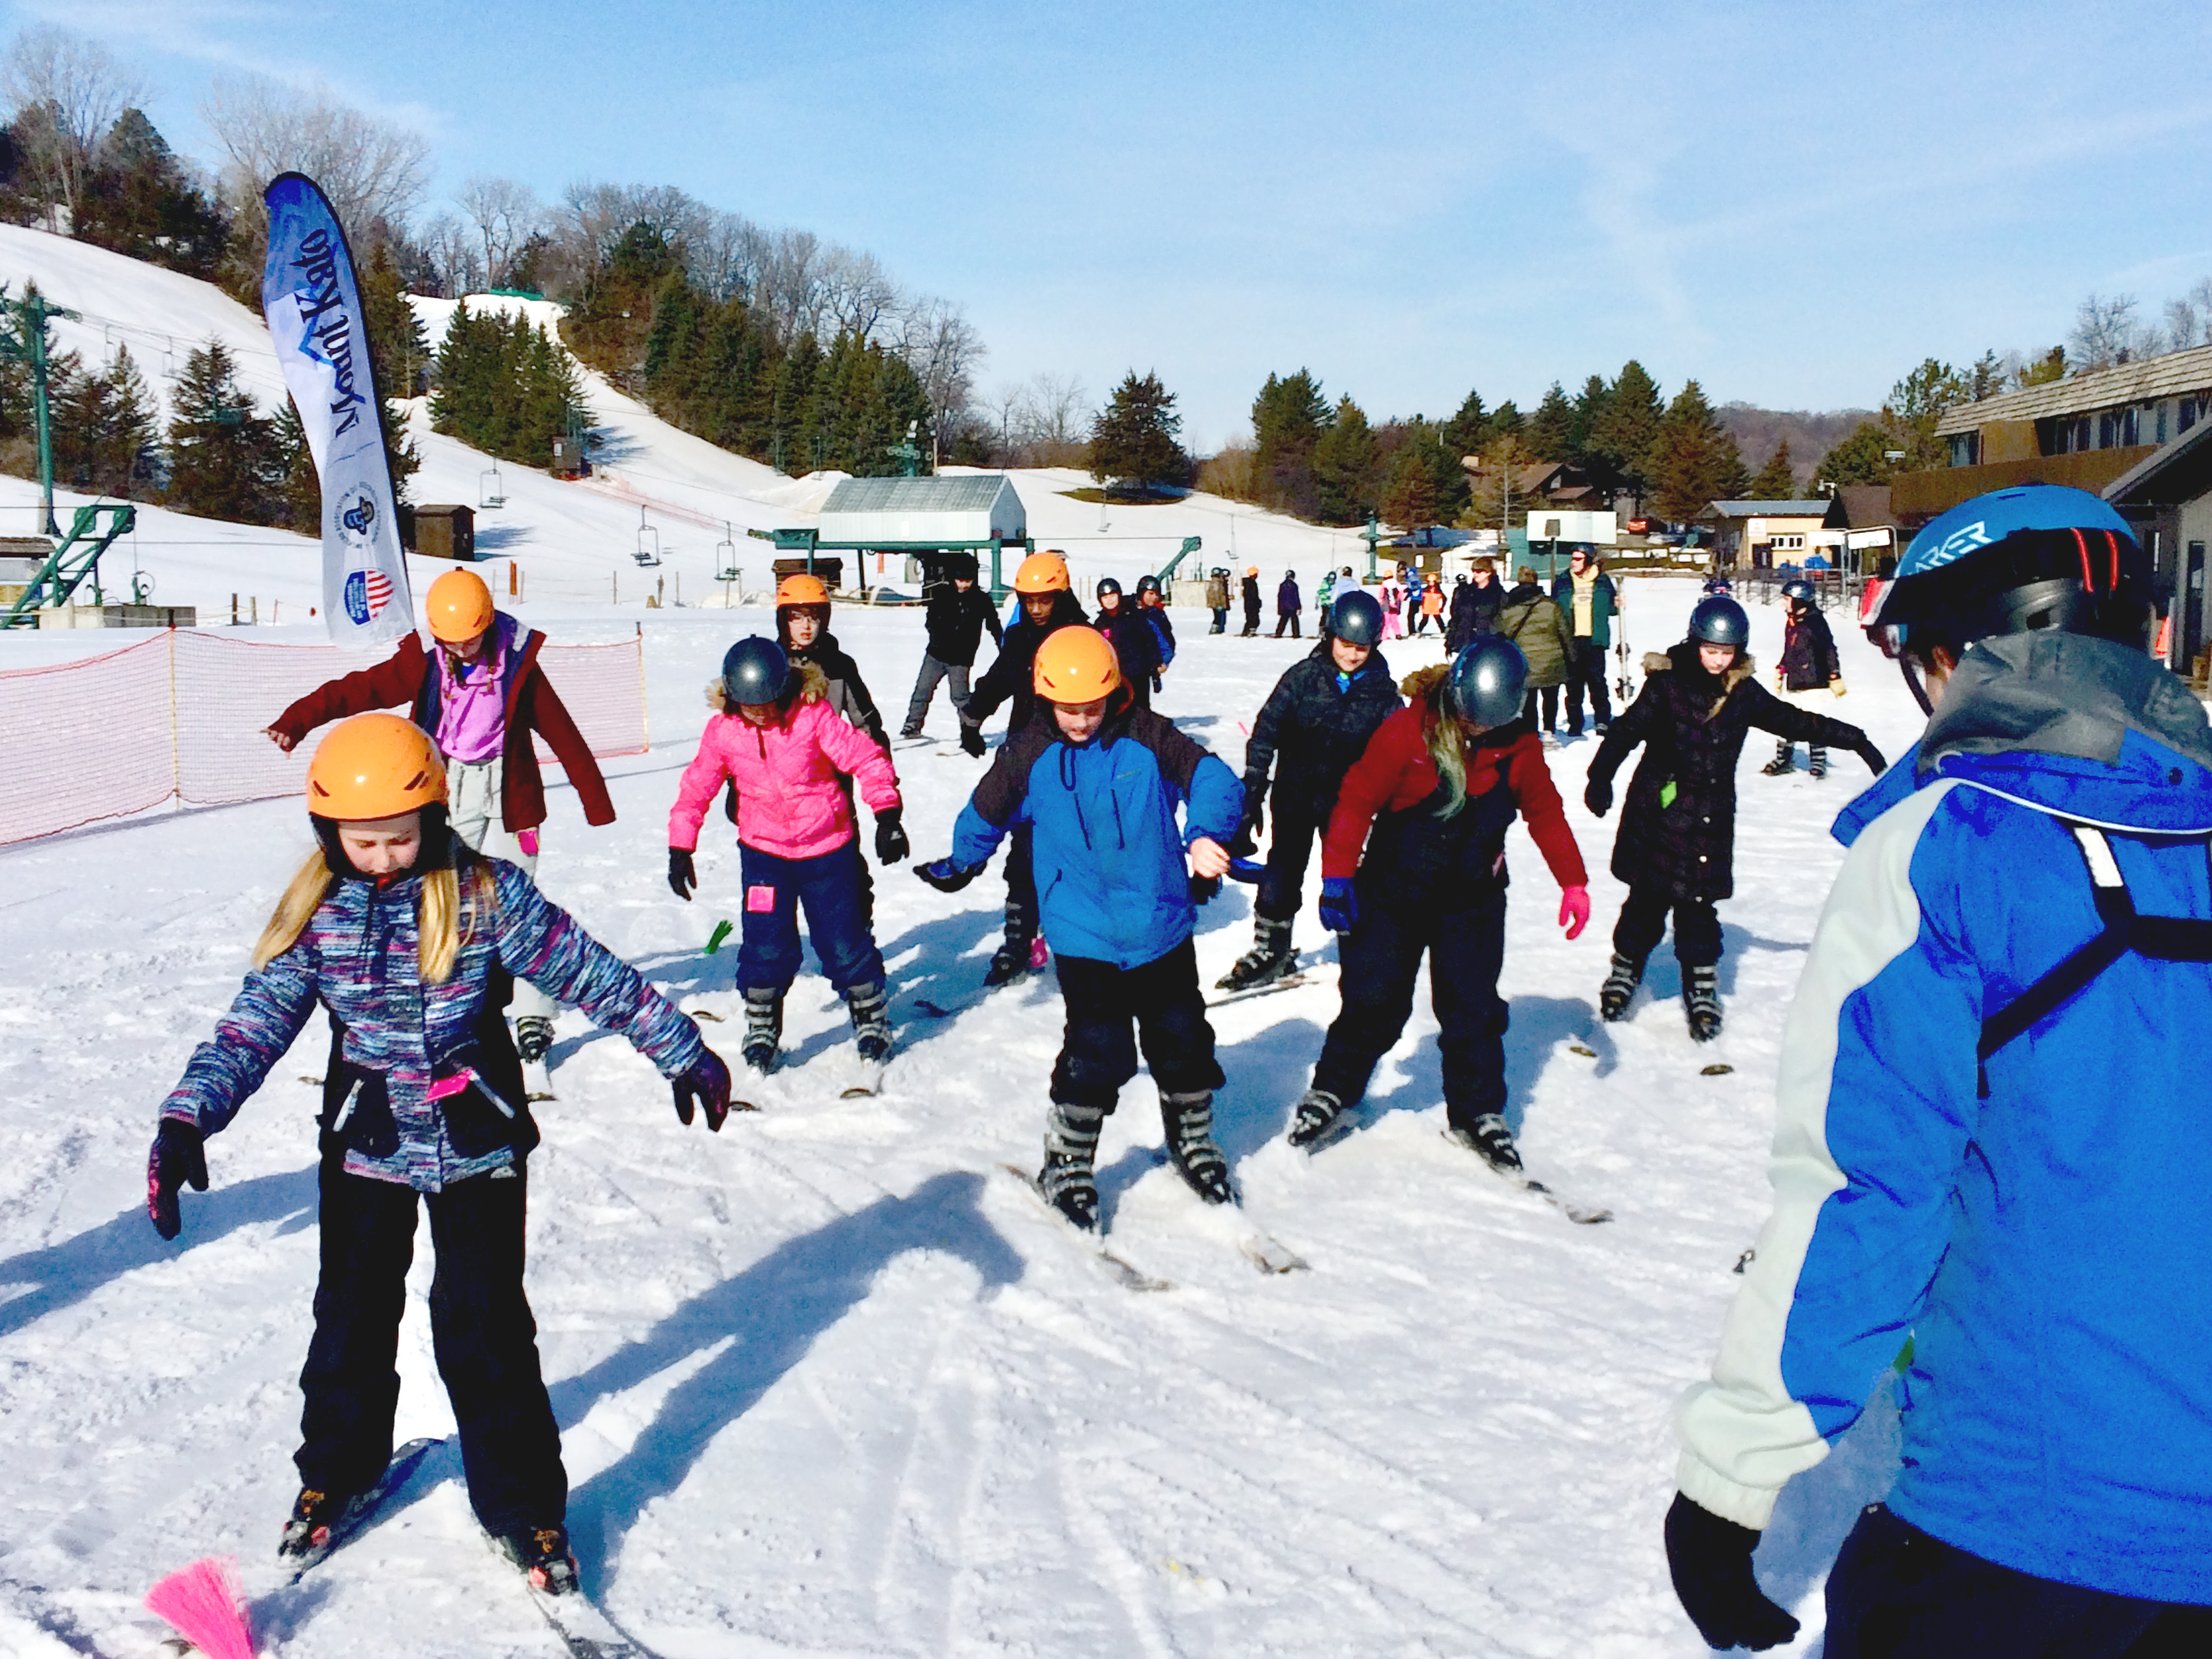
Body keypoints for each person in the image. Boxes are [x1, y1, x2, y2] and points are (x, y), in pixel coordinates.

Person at [1666, 486, 2212, 1656]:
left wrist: (1731, 1468)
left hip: (2018, 1524)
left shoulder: (1944, 846)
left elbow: (1861, 1184)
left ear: (1968, 654)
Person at [146, 714, 730, 1598]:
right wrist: (190, 1116)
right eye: (362, 841)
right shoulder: (319, 913)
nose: (382, 857)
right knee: (350, 1311)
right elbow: (255, 1024)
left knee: (483, 1321)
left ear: (432, 820)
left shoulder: (487, 894)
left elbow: (587, 970)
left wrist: (679, 1045)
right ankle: (336, 1473)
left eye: (399, 838)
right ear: (328, 836)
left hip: (476, 1130)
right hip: (368, 1130)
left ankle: (525, 1506)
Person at [916, 628, 1244, 1229]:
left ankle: (1192, 1137)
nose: (1082, 720)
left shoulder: (1149, 735)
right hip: (1082, 933)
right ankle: (1066, 1159)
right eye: (1069, 708)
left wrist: (1204, 832)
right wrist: (961, 861)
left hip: (1159, 922)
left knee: (1183, 1040)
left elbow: (1216, 780)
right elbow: (985, 810)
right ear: (1045, 697)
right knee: (1099, 1050)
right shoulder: (1027, 753)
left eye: (1092, 707)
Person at [262, 568, 610, 1067]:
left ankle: (534, 1014)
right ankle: (444, 995)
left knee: (523, 905)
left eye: (471, 640)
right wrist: (297, 720)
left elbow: (563, 731)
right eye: (452, 641)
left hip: (510, 794)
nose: (463, 650)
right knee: (444, 896)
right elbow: (357, 689)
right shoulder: (425, 664)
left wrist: (594, 799)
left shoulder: (517, 665)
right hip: (444, 791)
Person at [1282, 638, 1591, 1163]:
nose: (1477, 731)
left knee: (1472, 1008)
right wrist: (1336, 877)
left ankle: (1476, 1111)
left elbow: (1544, 811)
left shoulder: (1517, 746)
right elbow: (1356, 800)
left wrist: (1573, 881)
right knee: (1373, 1000)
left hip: (1472, 900)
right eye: (1471, 720)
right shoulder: (1407, 732)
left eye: (1489, 724)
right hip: (1392, 892)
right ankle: (1334, 1089)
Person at [1582, 595, 1882, 1042]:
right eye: (1711, 651)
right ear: (1695, 642)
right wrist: (1600, 776)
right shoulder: (1665, 686)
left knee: (1698, 908)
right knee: (1646, 902)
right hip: (1659, 811)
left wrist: (1855, 739)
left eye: (1727, 653)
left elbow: (1792, 720)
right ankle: (1625, 971)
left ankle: (1702, 984)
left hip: (1709, 818)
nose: (1719, 661)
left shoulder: (1741, 692)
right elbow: (1627, 731)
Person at [668, 638, 906, 1074]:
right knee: (765, 942)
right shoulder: (724, 730)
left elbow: (866, 759)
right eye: (748, 706)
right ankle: (761, 1024)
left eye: (769, 704)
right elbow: (697, 786)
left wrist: (887, 814)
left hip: (826, 850)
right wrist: (681, 845)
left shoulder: (812, 717)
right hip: (764, 855)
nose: (760, 714)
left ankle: (871, 1018)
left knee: (842, 940)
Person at [1218, 590, 1401, 991]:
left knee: (1353, 874)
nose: (1353, 655)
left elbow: (1400, 751)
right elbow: (1266, 732)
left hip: (1349, 803)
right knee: (1283, 870)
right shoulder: (1302, 677)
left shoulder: (1383, 692)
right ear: (1330, 635)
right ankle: (1272, 947)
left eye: (1362, 648)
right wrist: (1253, 789)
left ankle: (1362, 947)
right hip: (1295, 793)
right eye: (1346, 645)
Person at [967, 552, 1090, 985]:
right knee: (1024, 854)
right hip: (1029, 758)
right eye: (1029, 599)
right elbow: (1001, 677)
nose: (1037, 608)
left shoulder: (1081, 637)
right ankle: (1018, 938)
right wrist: (974, 714)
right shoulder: (1020, 637)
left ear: (1061, 595)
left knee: (1081, 853)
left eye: (1045, 600)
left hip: (1079, 757)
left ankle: (1084, 938)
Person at [900, 553, 1002, 756]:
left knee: (961, 697)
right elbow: (930, 620)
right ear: (952, 578)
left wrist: (1003, 645)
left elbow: (994, 625)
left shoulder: (981, 600)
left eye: (968, 580)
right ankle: (913, 725)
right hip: (936, 655)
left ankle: (969, 730)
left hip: (961, 660)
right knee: (922, 690)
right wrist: (936, 635)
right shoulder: (942, 595)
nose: (964, 585)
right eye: (960, 580)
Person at [1763, 576, 1845, 777]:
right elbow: (1791, 649)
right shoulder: (1792, 622)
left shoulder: (1815, 623)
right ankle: (1784, 759)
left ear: (1799, 600)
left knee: (1812, 723)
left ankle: (1818, 762)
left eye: (1787, 598)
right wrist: (1782, 667)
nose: (1783, 603)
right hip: (1795, 682)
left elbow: (1829, 649)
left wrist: (1834, 674)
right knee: (1784, 721)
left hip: (1813, 682)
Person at [1496, 565, 1574, 735]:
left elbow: (1503, 636)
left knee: (1529, 701)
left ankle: (1532, 731)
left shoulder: (1509, 609)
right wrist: (1572, 658)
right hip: (1552, 661)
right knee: (1551, 698)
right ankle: (1549, 730)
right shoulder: (1551, 606)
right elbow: (1565, 634)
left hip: (1525, 662)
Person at [1551, 546, 1618, 735]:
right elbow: (1555, 609)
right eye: (1573, 558)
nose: (1574, 562)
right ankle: (1575, 723)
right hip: (1572, 640)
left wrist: (1618, 604)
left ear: (1588, 561)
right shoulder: (1563, 582)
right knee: (1573, 685)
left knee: (1597, 683)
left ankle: (1602, 721)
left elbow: (1611, 608)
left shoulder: (1603, 582)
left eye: (1579, 559)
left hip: (1595, 640)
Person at [1091, 576, 1162, 710]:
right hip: (1115, 675)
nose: (1110, 600)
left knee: (1140, 708)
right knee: (1117, 708)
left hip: (1138, 672)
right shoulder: (1101, 623)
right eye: (1105, 597)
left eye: (1113, 596)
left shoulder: (1133, 616)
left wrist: (1155, 663)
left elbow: (1149, 640)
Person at [1135, 572, 1176, 695]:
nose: (1153, 598)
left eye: (1156, 594)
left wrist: (1163, 662)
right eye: (1151, 594)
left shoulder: (1156, 616)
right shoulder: (1130, 610)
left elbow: (1166, 641)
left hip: (1147, 666)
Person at [1275, 569, 1303, 638]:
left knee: (1283, 620)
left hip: (1284, 606)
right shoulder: (1294, 585)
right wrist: (1299, 606)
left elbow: (1279, 597)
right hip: (1292, 606)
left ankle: (1278, 633)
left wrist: (1279, 607)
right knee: (1295, 621)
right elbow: (1296, 597)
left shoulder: (1282, 585)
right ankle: (1296, 634)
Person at [1205, 567, 1231, 634]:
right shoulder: (1216, 583)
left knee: (1221, 618)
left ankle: (1219, 629)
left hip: (1220, 603)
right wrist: (1218, 604)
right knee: (1218, 617)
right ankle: (1215, 629)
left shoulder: (1221, 583)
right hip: (1218, 604)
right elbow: (1216, 594)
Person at [1380, 571, 1404, 640]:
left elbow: (1381, 595)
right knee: (1395, 621)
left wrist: (1381, 603)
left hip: (1386, 605)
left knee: (1386, 622)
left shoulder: (1384, 585)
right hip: (1395, 605)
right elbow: (1401, 594)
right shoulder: (1396, 584)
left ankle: (1384, 636)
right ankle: (1398, 634)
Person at [1240, 565, 1263, 636]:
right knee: (1253, 620)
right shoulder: (1251, 584)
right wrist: (1257, 603)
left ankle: (1247, 631)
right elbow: (1252, 596)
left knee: (1251, 619)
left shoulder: (1249, 583)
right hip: (1252, 605)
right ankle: (1250, 631)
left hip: (1250, 605)